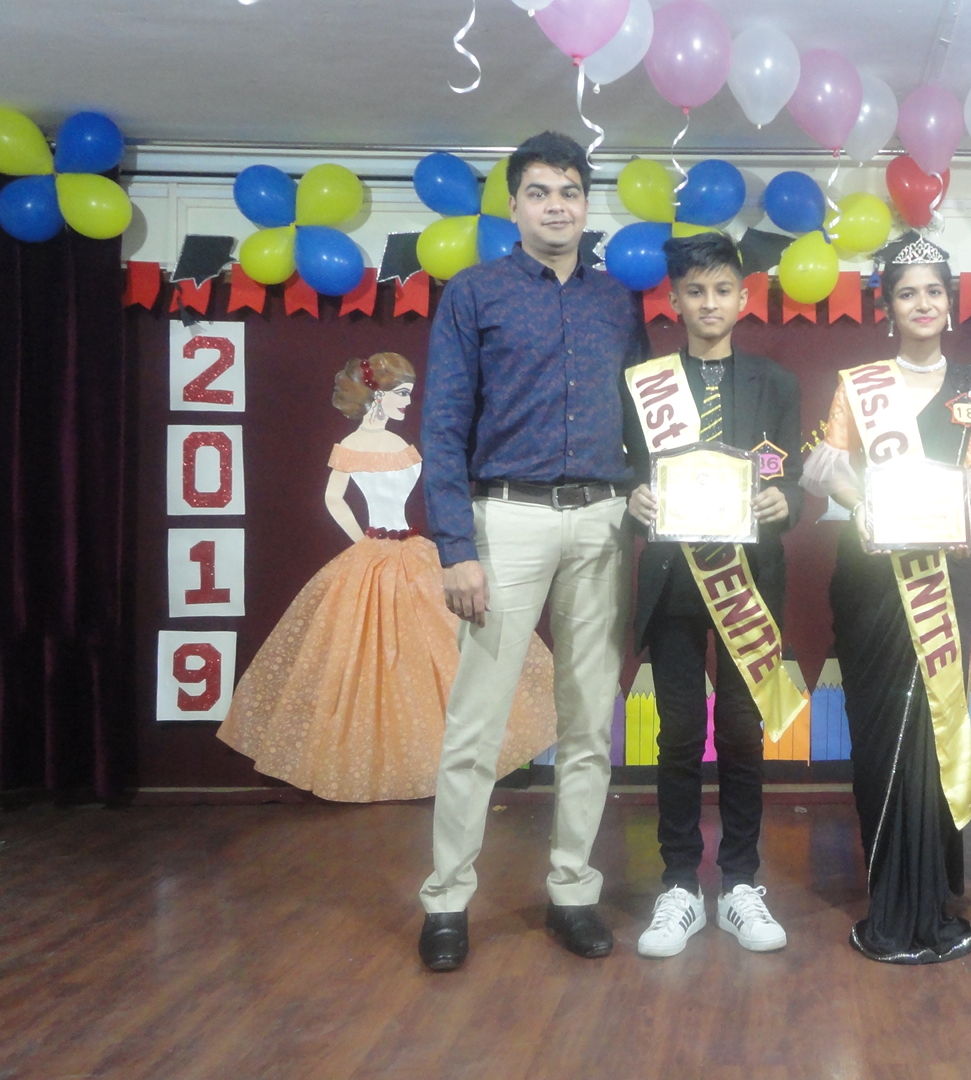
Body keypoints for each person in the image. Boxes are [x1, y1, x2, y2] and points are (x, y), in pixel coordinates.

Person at [416, 131, 646, 971]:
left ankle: (573, 890)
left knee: (590, 719)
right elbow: (443, 424)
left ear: (587, 205)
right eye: (541, 192)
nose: (557, 206)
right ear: (513, 205)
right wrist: (454, 546)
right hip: (502, 521)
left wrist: (648, 494)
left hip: (600, 521)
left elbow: (644, 416)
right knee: (475, 724)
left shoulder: (617, 302)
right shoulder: (474, 293)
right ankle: (446, 901)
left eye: (571, 192)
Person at [217, 353, 556, 803]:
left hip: (413, 552)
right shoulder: (351, 445)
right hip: (374, 553)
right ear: (376, 394)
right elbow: (333, 497)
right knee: (366, 656)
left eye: (409, 395)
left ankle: (438, 762)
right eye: (401, 394)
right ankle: (374, 767)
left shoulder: (402, 444)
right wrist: (362, 539)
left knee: (437, 652)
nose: (408, 403)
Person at [802, 234, 971, 964]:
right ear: (887, 305)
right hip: (872, 584)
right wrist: (861, 503)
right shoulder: (860, 385)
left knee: (934, 727)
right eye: (907, 292)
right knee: (883, 733)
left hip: (944, 580)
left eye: (934, 291)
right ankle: (888, 901)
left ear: (951, 302)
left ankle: (932, 901)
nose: (923, 303)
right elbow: (832, 467)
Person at [623, 232, 804, 958]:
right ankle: (678, 885)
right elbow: (624, 471)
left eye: (722, 289)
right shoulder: (645, 383)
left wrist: (786, 502)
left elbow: (790, 479)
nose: (709, 303)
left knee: (739, 730)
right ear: (674, 300)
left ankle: (739, 883)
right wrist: (632, 498)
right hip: (672, 579)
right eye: (694, 291)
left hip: (748, 584)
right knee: (675, 732)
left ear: (742, 298)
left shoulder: (776, 383)